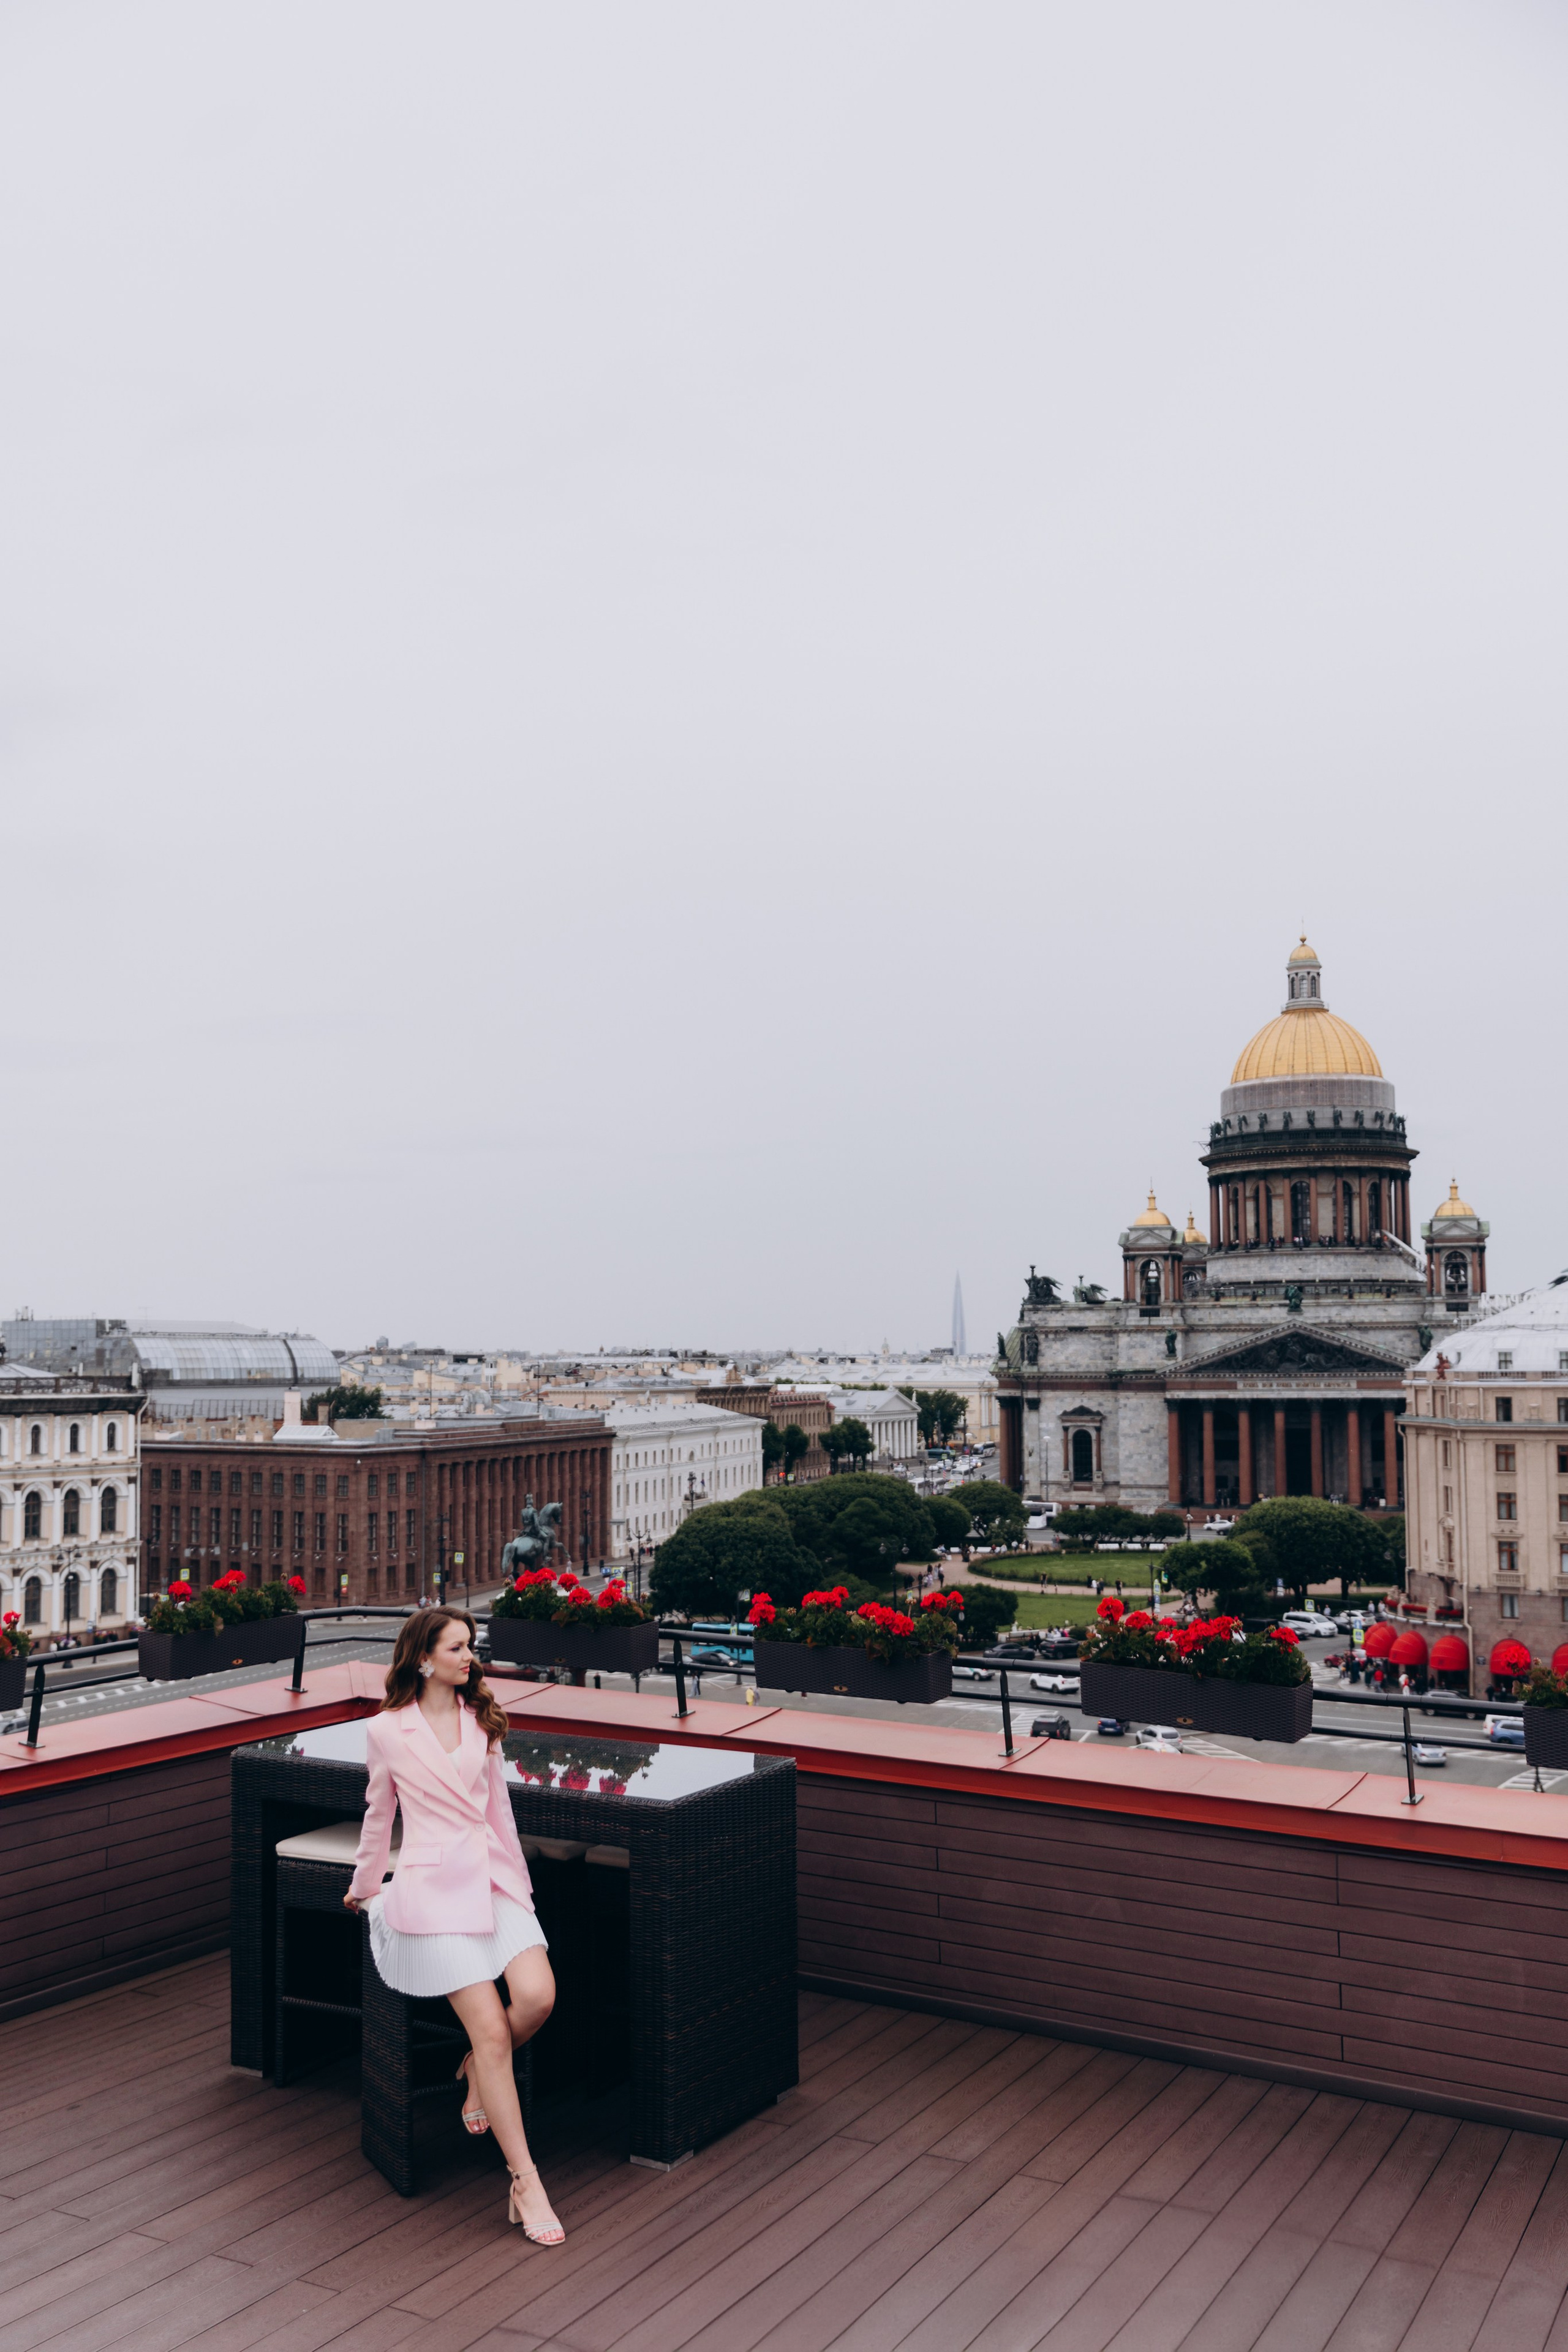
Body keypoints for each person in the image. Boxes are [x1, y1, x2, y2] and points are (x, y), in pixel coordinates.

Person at [344, 1607, 564, 2245]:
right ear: (423, 1658)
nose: (471, 1657)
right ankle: (525, 2181)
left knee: (537, 1997)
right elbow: (377, 1818)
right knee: (494, 2028)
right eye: (459, 1647)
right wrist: (363, 1889)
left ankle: (472, 2069)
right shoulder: (386, 1732)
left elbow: (501, 1813)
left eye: (471, 1646)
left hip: (493, 1882)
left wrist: (518, 1890)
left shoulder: (481, 1720)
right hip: (433, 1892)